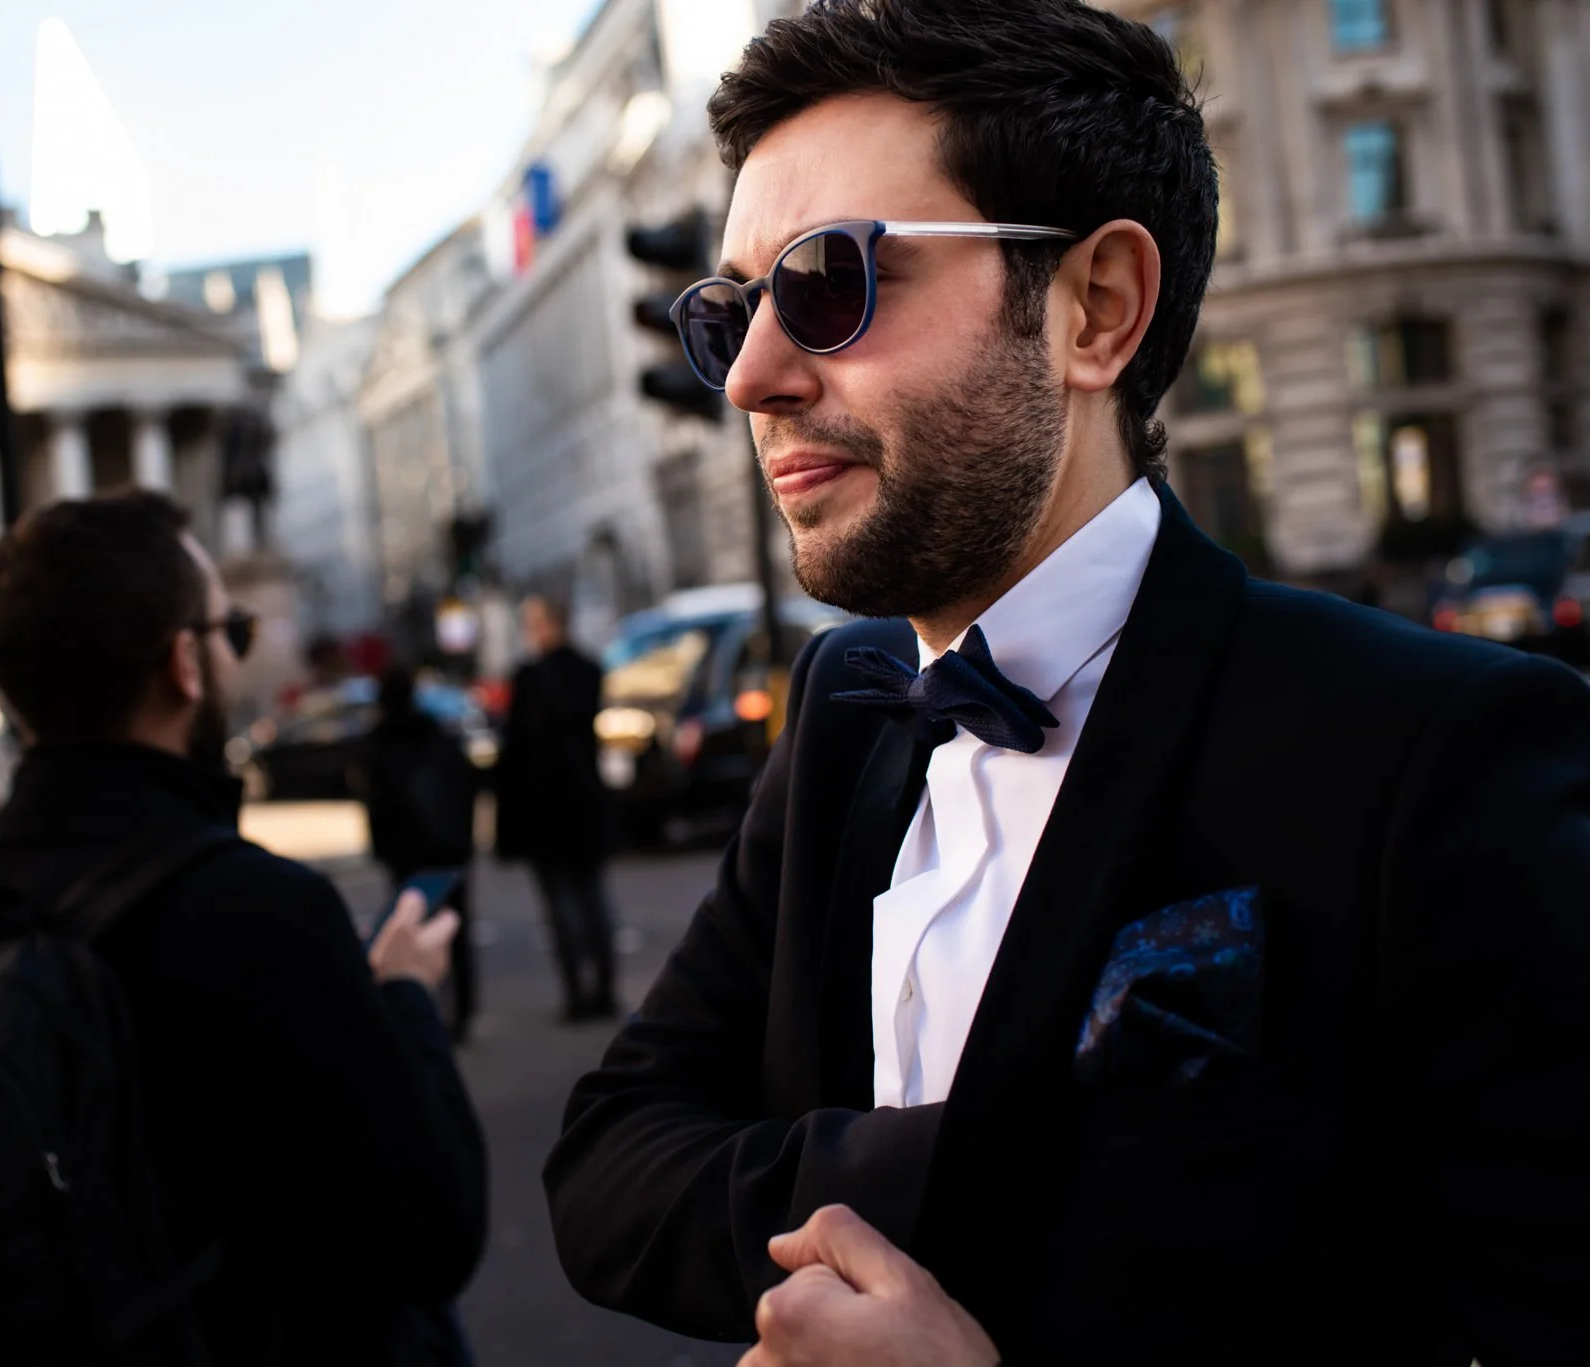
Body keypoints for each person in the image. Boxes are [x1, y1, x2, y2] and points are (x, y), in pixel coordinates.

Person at [544, 3, 1590, 1364]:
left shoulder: (1439, 750)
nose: (750, 376)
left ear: (1096, 309)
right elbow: (609, 1159)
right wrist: (949, 1183)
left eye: (828, 281)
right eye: (731, 309)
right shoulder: (850, 702)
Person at [0, 491, 487, 1365]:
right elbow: (436, 1231)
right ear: (186, 663)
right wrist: (406, 995)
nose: (237, 650)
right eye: (234, 630)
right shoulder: (263, 916)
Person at [493, 595, 619, 1022]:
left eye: (533, 622)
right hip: (581, 805)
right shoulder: (586, 671)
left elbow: (514, 754)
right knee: (591, 900)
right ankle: (601, 987)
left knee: (564, 906)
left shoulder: (531, 679)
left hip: (546, 811)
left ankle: (579, 994)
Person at [366, 662, 481, 1042]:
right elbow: (464, 788)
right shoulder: (438, 735)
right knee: (455, 930)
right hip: (446, 848)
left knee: (410, 929)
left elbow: (377, 804)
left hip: (408, 853)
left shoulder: (381, 743)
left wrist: (383, 848)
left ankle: (428, 1008)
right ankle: (461, 1009)